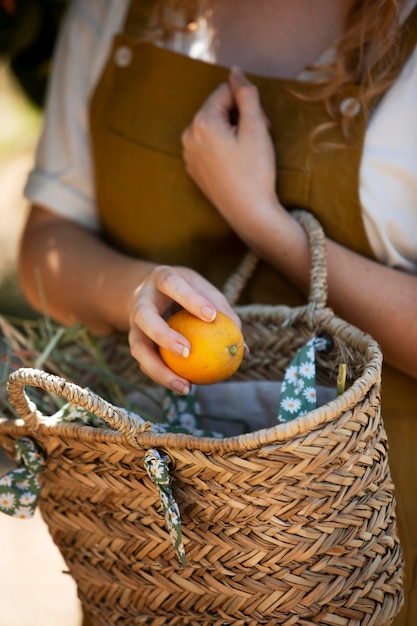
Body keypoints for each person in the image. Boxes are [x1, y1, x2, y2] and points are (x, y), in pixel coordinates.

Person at [16, 0, 417, 623]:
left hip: (369, 540)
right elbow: (47, 245)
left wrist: (267, 227)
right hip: (155, 557)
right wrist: (135, 292)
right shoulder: (111, 8)